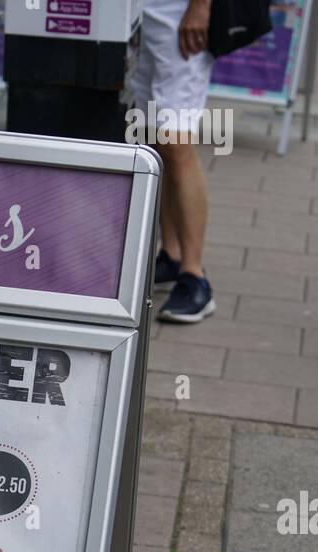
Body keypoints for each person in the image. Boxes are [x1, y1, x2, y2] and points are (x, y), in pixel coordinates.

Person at [129, 0, 215, 323]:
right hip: (137, 12)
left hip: (179, 11)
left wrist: (201, 6)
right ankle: (173, 254)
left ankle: (195, 276)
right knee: (151, 136)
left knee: (174, 141)